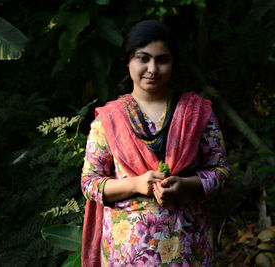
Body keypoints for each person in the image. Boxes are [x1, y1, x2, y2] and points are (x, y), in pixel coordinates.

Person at [80, 20, 229, 266]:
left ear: (173, 63)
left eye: (162, 59)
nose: (152, 68)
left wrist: (184, 185)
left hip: (188, 247)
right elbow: (89, 184)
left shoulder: (196, 112)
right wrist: (137, 184)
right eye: (143, 58)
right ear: (128, 60)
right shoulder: (109, 119)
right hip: (126, 253)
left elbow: (220, 171)